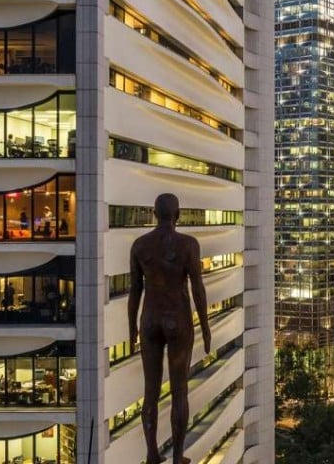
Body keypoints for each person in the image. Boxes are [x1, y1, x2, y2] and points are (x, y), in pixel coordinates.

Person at [128, 193, 210, 464]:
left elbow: (135, 292)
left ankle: (152, 453)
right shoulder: (188, 245)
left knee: (150, 390)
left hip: (149, 319)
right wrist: (205, 326)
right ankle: (177, 456)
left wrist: (132, 328)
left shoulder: (140, 245)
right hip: (178, 320)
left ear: (154, 213)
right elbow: (197, 288)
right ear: (178, 215)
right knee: (179, 390)